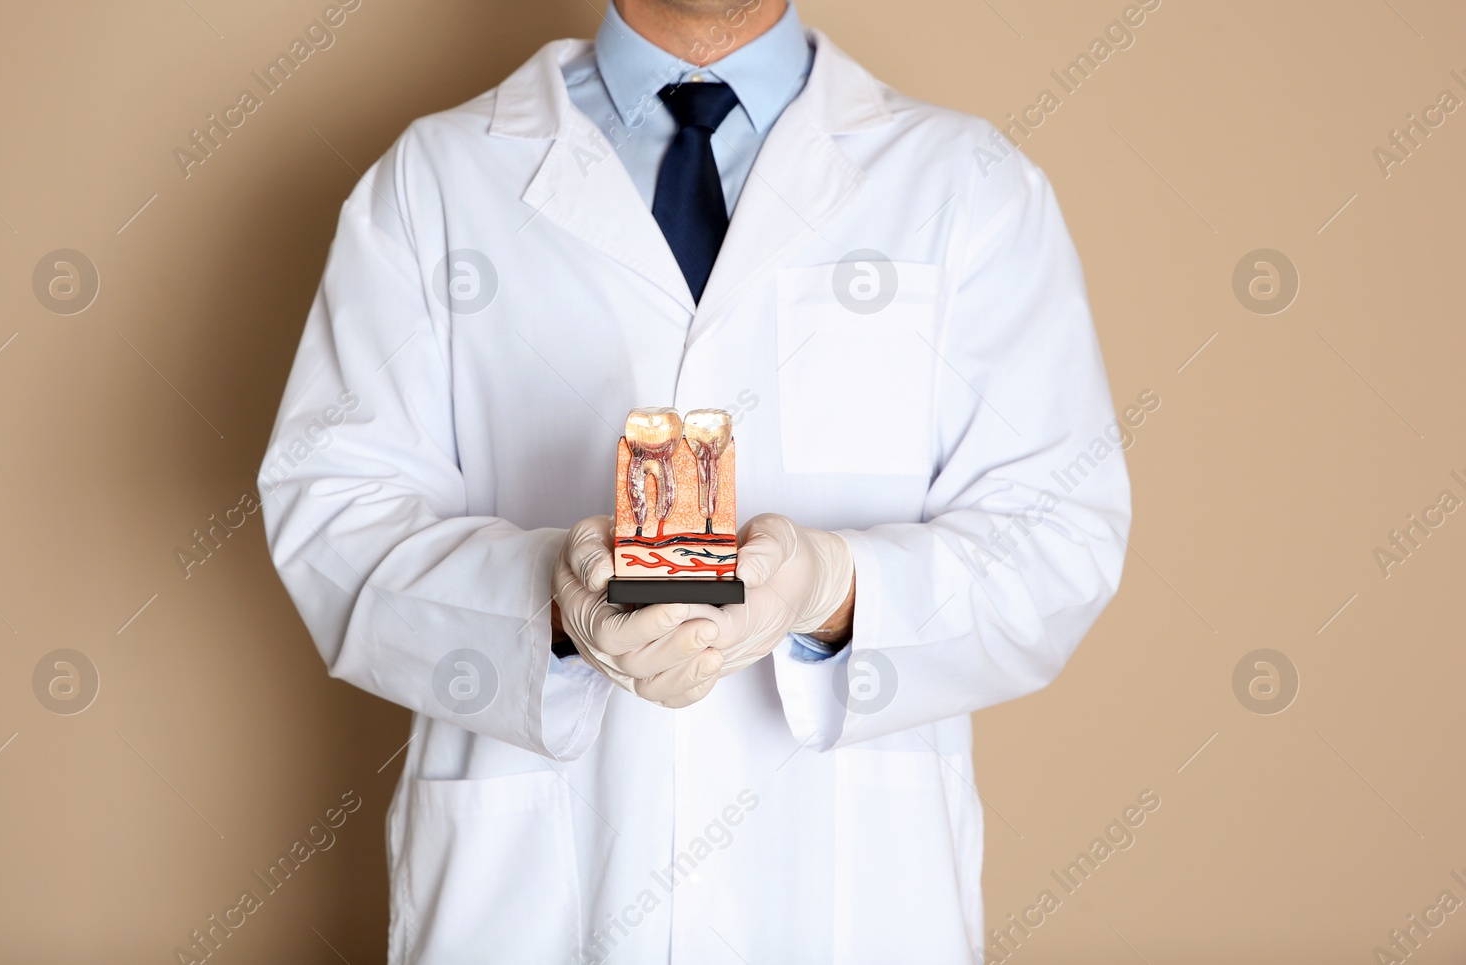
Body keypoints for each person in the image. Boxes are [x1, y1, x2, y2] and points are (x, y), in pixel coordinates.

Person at [260, 0, 1131, 961]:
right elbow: (330, 510)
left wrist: (834, 592)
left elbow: (1056, 536)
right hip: (532, 897)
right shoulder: (436, 179)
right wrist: (546, 606)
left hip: (845, 895)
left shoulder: (969, 187)